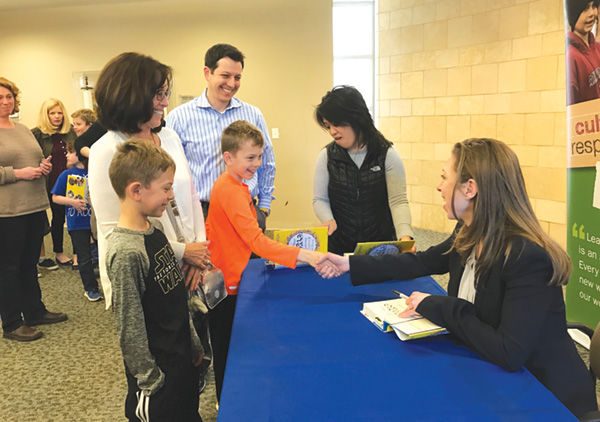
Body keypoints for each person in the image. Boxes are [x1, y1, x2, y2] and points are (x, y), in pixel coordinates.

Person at [317, 138, 598, 417]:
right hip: (492, 374)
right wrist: (349, 264)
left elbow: (509, 352)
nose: (439, 187)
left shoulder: (526, 257)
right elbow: (421, 261)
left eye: (444, 177)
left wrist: (437, 305)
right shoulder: (467, 232)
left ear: (470, 188)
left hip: (546, 396)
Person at [205, 120, 326, 402]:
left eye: (259, 156)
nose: (257, 163)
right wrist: (306, 255)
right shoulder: (231, 191)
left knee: (230, 350)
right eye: (250, 157)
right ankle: (229, 406)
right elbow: (256, 241)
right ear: (228, 157)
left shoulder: (233, 184)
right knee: (227, 352)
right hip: (229, 285)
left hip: (233, 276)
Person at [88, 52, 210, 310]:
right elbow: (114, 232)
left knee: (196, 344)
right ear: (131, 96)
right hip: (149, 274)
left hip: (192, 263)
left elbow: (190, 197)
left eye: (166, 94)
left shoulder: (169, 136)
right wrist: (182, 252)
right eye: (158, 95)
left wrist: (198, 253)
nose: (166, 103)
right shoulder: (107, 149)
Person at [106, 139, 203, 421]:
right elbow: (129, 325)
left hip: (181, 362)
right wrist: (150, 381)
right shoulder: (126, 253)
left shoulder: (156, 230)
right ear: (136, 190)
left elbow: (176, 299)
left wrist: (194, 344)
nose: (171, 195)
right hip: (157, 381)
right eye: (166, 188)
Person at [166, 43, 275, 230]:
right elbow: (169, 169)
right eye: (225, 76)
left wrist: (264, 207)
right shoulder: (178, 117)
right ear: (208, 73)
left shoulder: (253, 114)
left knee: (251, 260)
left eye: (237, 77)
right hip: (201, 213)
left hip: (246, 208)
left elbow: (267, 162)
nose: (231, 84)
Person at [0, 77, 67, 342]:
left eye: (9, 97)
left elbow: (35, 159)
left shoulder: (24, 129)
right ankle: (12, 322)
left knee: (29, 264)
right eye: (0, 98)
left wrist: (43, 167)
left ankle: (34, 311)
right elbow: (17, 169)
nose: (6, 102)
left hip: (33, 206)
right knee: (9, 268)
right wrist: (16, 173)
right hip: (7, 211)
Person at [313, 85, 414, 254]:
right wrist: (328, 219)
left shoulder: (387, 154)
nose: (332, 131)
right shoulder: (326, 156)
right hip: (339, 245)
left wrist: (405, 237)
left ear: (356, 118)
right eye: (328, 126)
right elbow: (319, 199)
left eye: (336, 124)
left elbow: (398, 202)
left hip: (379, 247)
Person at [51, 145, 102, 302]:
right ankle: (91, 288)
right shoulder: (66, 175)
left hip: (96, 221)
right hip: (77, 222)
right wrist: (72, 202)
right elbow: (55, 197)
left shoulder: (95, 173)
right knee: (84, 258)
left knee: (103, 255)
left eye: (71, 152)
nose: (67, 154)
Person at [31, 98, 77, 268]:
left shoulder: (71, 131)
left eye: (59, 112)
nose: (57, 116)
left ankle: (78, 252)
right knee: (58, 219)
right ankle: (59, 252)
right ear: (46, 115)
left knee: (76, 217)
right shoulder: (36, 134)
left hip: (73, 181)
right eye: (52, 113)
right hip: (52, 183)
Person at [566, 0, 600, 105]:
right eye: (585, 8)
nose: (592, 13)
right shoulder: (571, 57)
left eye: (594, 6)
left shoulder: (597, 48)